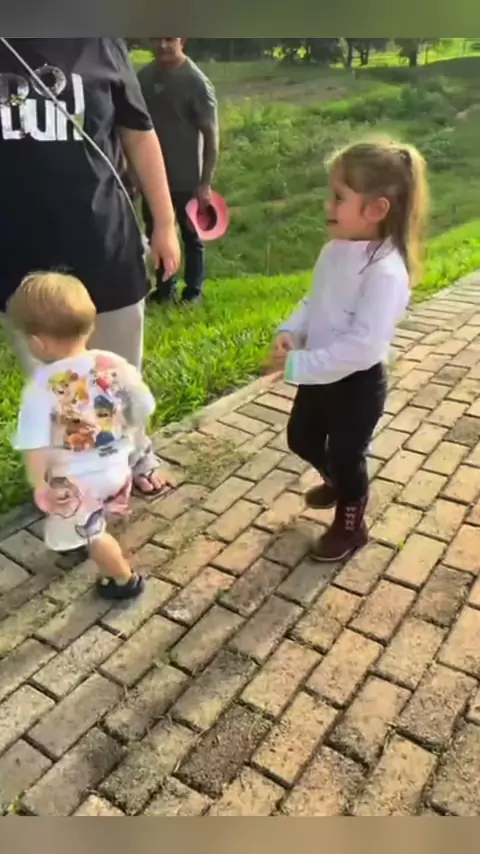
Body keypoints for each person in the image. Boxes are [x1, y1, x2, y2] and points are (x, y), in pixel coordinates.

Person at [0, 37, 180, 498]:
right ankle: (77, 473)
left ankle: (136, 453)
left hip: (103, 240)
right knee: (52, 382)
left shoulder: (100, 39)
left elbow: (138, 133)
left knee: (118, 372)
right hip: (19, 255)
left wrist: (164, 223)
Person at [270, 139, 429, 562]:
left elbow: (363, 346)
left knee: (346, 455)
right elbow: (314, 301)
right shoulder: (334, 251)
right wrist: (291, 331)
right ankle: (339, 482)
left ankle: (351, 523)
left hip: (356, 385)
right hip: (320, 374)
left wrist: (300, 365)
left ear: (376, 209)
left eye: (339, 197)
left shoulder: (386, 273)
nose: (329, 204)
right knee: (301, 438)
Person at [9, 272, 157, 601]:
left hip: (77, 483)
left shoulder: (41, 387)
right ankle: (83, 531)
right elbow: (144, 405)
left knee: (94, 534)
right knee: (90, 514)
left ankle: (124, 580)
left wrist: (41, 486)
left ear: (37, 343)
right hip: (118, 468)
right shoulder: (112, 362)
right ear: (90, 327)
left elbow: (34, 447)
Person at [138, 38, 219, 304]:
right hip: (154, 176)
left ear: (182, 40)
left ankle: (193, 291)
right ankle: (165, 289)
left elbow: (211, 135)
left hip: (187, 177)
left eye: (169, 39)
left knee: (191, 236)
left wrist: (205, 183)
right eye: (157, 38)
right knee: (157, 232)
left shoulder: (195, 81)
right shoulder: (143, 78)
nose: (163, 45)